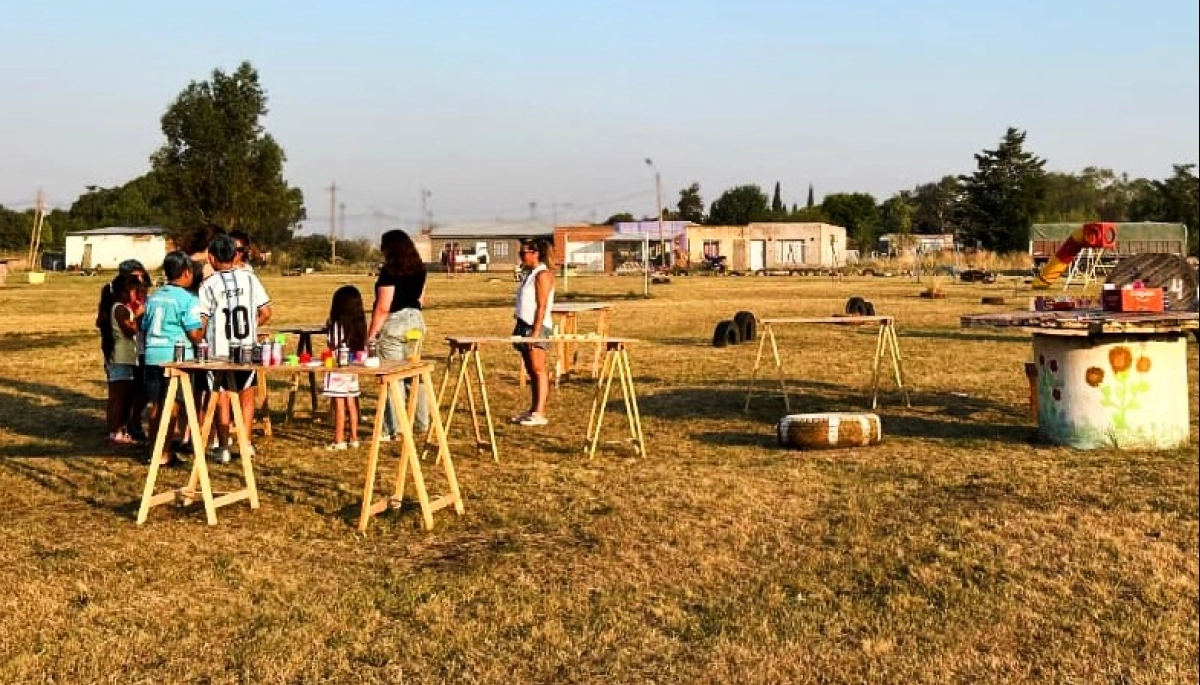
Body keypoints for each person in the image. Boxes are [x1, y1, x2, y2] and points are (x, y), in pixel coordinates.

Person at [197, 234, 272, 464]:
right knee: (246, 394)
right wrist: (250, 325)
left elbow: (202, 320)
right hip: (247, 347)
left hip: (219, 350)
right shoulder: (250, 279)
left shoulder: (208, 285)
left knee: (221, 397)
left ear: (211, 258)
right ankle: (246, 443)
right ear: (235, 254)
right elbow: (267, 312)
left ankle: (224, 445)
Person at [140, 251, 205, 467]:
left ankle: (153, 450)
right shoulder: (188, 299)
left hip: (152, 355)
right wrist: (204, 323)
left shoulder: (154, 297)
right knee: (173, 407)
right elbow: (195, 334)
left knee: (156, 407)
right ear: (187, 272)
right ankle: (164, 452)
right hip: (175, 358)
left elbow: (144, 325)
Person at [366, 229, 428, 440]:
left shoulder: (389, 272)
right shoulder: (420, 269)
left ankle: (394, 428)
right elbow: (421, 299)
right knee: (413, 371)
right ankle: (421, 420)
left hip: (394, 323)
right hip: (415, 321)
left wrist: (371, 335)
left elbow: (384, 307)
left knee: (392, 375)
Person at [96, 259, 150, 441]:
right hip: (122, 357)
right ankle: (116, 430)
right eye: (134, 290)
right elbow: (130, 329)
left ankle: (118, 429)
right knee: (120, 397)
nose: (138, 293)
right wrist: (140, 315)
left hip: (125, 357)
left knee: (122, 396)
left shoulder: (120, 308)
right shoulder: (120, 309)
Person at [512, 237, 556, 427]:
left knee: (538, 369)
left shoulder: (542, 275)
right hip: (524, 324)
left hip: (535, 326)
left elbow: (542, 305)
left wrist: (536, 332)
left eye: (524, 253)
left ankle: (540, 412)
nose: (521, 256)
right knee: (531, 369)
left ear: (535, 253)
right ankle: (532, 409)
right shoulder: (529, 274)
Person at [323, 285, 367, 450]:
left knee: (339, 403)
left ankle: (339, 439)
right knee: (352, 402)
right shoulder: (359, 326)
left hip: (338, 368)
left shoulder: (336, 325)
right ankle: (354, 437)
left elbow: (331, 343)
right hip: (352, 367)